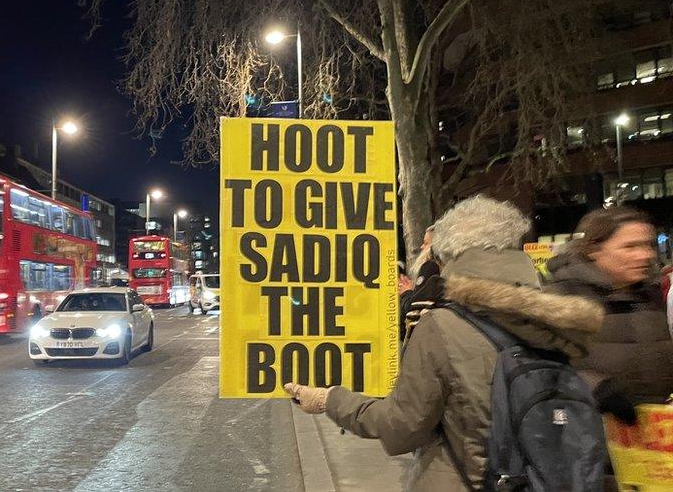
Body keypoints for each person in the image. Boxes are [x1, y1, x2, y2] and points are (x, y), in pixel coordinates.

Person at [285, 196, 605, 491]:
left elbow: (401, 427)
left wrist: (331, 400)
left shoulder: (442, 324)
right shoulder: (560, 313)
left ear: (446, 252)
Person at [545, 207, 673, 416]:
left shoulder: (650, 294)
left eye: (648, 245)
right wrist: (598, 389)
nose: (645, 255)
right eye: (630, 246)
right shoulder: (563, 296)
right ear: (594, 249)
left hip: (650, 430)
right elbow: (542, 364)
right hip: (587, 428)